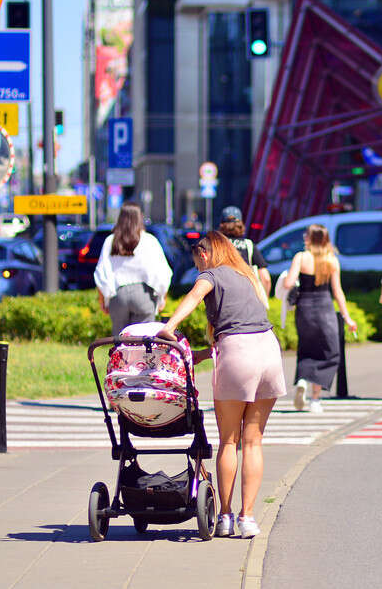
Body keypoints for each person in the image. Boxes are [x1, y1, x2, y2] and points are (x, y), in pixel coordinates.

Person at [156, 231, 284, 539]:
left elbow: (195, 295)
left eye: (197, 262)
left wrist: (169, 326)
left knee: (229, 442)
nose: (198, 269)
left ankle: (225, 516)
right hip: (268, 351)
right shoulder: (247, 274)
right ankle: (248, 518)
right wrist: (201, 355)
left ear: (204, 253)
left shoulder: (211, 274)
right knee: (252, 441)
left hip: (237, 353)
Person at [280, 224, 357, 413]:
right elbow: (338, 292)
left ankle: (302, 381)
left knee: (306, 347)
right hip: (325, 308)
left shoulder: (301, 257)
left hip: (304, 308)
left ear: (309, 238)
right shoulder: (331, 260)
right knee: (330, 352)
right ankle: (315, 399)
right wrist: (347, 318)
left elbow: (289, 283)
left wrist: (284, 281)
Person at [94, 203, 173, 335]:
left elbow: (101, 273)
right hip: (144, 295)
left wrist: (103, 299)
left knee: (120, 344)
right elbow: (163, 273)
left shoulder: (111, 241)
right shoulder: (149, 241)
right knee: (144, 343)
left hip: (118, 296)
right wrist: (162, 297)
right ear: (140, 218)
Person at [218, 205, 271, 297]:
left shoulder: (217, 245)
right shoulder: (249, 245)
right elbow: (266, 278)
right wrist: (263, 299)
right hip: (247, 298)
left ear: (222, 225)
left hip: (224, 297)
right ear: (240, 224)